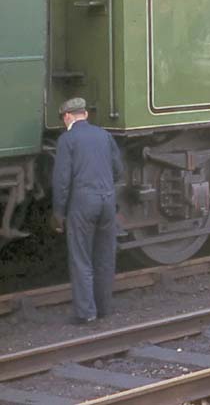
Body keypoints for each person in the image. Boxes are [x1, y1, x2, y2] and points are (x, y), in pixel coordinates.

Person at [52, 97, 124, 324]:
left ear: (68, 117)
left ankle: (86, 313)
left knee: (81, 258)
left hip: (82, 203)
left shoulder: (67, 139)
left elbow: (62, 180)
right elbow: (119, 170)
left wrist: (59, 213)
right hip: (107, 201)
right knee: (104, 256)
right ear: (85, 114)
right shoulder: (104, 135)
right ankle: (104, 309)